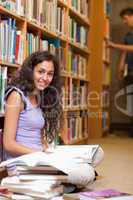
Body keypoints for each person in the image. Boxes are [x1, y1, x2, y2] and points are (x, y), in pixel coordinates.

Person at [3, 51, 63, 160]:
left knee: (82, 166)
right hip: (22, 163)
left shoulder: (39, 97)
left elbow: (39, 138)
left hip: (37, 159)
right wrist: (40, 154)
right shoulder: (16, 96)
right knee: (79, 173)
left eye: (50, 74)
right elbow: (8, 144)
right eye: (41, 72)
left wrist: (48, 152)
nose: (45, 78)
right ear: (30, 71)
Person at [107, 8, 133, 137]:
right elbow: (125, 52)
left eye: (126, 18)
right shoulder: (128, 35)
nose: (124, 21)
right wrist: (120, 68)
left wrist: (114, 46)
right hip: (131, 71)